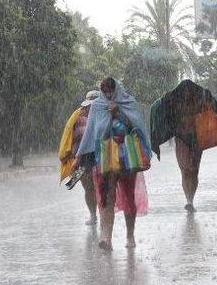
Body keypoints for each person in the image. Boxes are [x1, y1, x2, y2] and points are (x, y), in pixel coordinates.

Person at [74, 77, 150, 250]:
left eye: (111, 91)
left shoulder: (128, 103)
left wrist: (118, 114)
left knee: (129, 196)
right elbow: (91, 135)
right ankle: (106, 238)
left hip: (127, 156)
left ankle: (130, 236)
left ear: (116, 89)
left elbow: (137, 128)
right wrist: (79, 156)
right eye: (105, 91)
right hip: (105, 155)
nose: (108, 94)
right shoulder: (97, 107)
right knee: (106, 196)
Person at [150, 79, 217, 213]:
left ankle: (191, 198)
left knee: (194, 170)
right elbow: (157, 106)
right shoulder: (173, 101)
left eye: (189, 92)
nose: (186, 94)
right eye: (184, 91)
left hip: (197, 139)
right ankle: (189, 201)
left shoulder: (200, 100)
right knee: (185, 170)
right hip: (182, 139)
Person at [58, 90, 100, 225]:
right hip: (82, 158)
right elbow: (72, 138)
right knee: (88, 188)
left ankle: (104, 214)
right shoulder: (77, 117)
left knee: (101, 187)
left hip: (100, 156)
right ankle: (93, 215)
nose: (90, 108)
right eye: (89, 105)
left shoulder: (105, 116)